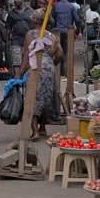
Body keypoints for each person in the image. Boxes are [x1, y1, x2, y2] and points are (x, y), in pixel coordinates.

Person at [16, 8, 63, 140]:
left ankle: (35, 131)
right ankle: (43, 128)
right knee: (46, 98)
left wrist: (20, 73)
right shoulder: (51, 35)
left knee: (32, 98)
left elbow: (27, 55)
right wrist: (52, 63)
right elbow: (60, 54)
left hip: (35, 67)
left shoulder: (31, 34)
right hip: (49, 68)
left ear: (33, 21)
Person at [51, 0, 81, 77]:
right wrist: (78, 30)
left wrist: (54, 27)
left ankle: (60, 72)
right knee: (68, 52)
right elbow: (77, 20)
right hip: (69, 32)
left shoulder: (55, 6)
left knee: (58, 51)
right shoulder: (71, 6)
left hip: (58, 32)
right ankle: (68, 72)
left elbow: (53, 18)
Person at [5, 0, 33, 76]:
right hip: (16, 40)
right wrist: (7, 41)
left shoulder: (30, 12)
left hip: (28, 41)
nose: (15, 1)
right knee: (16, 60)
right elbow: (8, 28)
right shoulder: (11, 14)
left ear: (22, 0)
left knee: (27, 60)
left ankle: (25, 79)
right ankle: (17, 79)